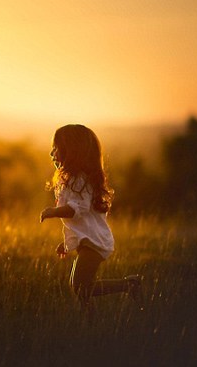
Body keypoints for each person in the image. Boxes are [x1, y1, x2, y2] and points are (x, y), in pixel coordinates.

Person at [40, 124, 143, 318]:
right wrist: (68, 243)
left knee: (81, 286)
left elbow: (77, 210)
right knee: (80, 287)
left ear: (71, 151)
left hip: (95, 242)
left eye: (56, 147)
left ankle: (129, 285)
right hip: (89, 240)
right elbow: (82, 222)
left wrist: (52, 212)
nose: (52, 152)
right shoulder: (71, 180)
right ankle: (90, 319)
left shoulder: (80, 180)